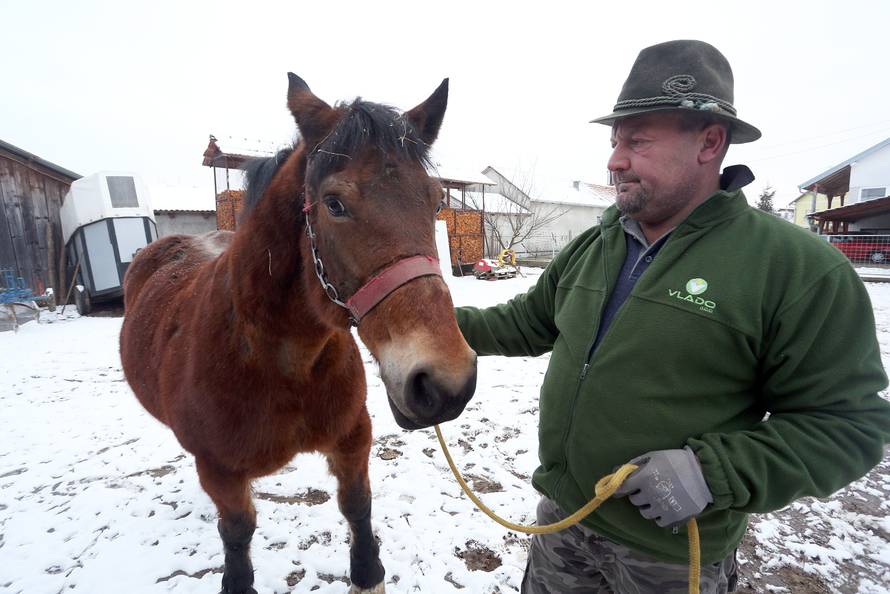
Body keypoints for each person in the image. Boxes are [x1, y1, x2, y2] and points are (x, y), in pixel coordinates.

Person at [454, 39, 890, 593]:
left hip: (670, 555)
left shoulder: (796, 269)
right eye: (615, 142)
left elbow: (849, 425)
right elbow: (527, 322)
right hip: (564, 524)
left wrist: (713, 472)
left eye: (637, 141)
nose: (615, 160)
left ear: (710, 141)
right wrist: (415, 320)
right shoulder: (599, 243)